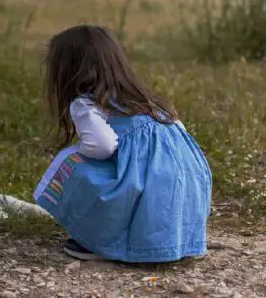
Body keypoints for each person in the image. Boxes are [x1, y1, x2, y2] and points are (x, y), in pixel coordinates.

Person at [33, 25, 212, 263]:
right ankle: (173, 239)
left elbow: (103, 145)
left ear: (67, 70)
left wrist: (80, 152)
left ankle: (100, 240)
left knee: (71, 162)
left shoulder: (86, 104)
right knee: (146, 178)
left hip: (147, 185)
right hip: (187, 183)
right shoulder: (147, 101)